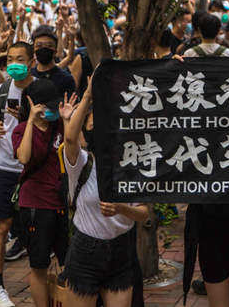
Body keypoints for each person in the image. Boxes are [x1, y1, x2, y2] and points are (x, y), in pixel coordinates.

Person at [61, 80, 149, 307]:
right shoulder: (81, 163)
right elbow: (70, 139)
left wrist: (121, 208)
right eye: (92, 124)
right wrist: (88, 96)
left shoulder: (131, 165)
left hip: (122, 253)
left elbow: (143, 214)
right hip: (85, 253)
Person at [0, 41, 36, 307]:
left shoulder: (40, 89)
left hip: (33, 170)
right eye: (10, 59)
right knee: (0, 227)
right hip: (3, 168)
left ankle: (42, 283)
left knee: (36, 230)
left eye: (20, 59)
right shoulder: (1, 91)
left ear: (32, 61)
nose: (14, 64)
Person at [11, 79, 67, 307]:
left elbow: (80, 145)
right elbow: (23, 157)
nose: (51, 110)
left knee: (68, 262)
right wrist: (32, 122)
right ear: (34, 104)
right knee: (39, 265)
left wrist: (67, 118)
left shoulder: (60, 125)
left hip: (61, 202)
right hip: (35, 205)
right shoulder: (22, 129)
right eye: (47, 106)